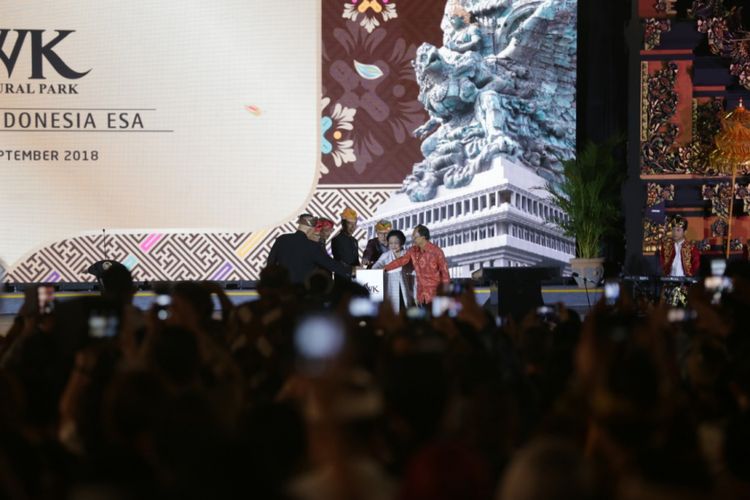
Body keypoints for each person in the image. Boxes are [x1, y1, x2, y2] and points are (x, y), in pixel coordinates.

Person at [266, 214, 351, 284]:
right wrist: (350, 271)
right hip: (303, 291)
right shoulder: (312, 246)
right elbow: (330, 264)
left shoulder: (282, 239)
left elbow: (270, 262)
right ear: (310, 230)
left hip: (284, 288)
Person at [383, 225, 450, 305]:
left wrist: (446, 295)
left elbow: (445, 274)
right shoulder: (413, 250)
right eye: (412, 236)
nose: (413, 239)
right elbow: (401, 261)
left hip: (435, 294)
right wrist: (386, 268)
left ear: (423, 237)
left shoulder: (437, 252)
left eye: (415, 237)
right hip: (421, 295)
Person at [372, 229, 415, 312]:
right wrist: (381, 270)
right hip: (390, 286)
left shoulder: (407, 254)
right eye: (391, 243)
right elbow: (376, 266)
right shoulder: (386, 255)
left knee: (405, 308)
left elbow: (413, 269)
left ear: (402, 242)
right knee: (392, 308)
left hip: (405, 285)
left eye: (396, 243)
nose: (393, 245)